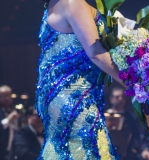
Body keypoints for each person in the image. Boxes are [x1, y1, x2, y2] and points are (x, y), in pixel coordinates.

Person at [36, 0, 123, 159]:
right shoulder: (72, 2)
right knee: (86, 149)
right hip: (75, 98)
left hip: (58, 97)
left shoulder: (52, 5)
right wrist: (134, 83)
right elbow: (95, 52)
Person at [105, 87, 149, 160]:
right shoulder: (103, 117)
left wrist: (145, 149)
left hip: (127, 155)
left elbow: (140, 134)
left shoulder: (132, 118)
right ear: (111, 99)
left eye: (123, 97)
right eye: (117, 97)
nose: (120, 99)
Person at [0, 85, 19, 160]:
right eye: (3, 96)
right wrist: (8, 120)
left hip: (13, 152)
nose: (7, 98)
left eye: (8, 96)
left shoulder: (13, 110)